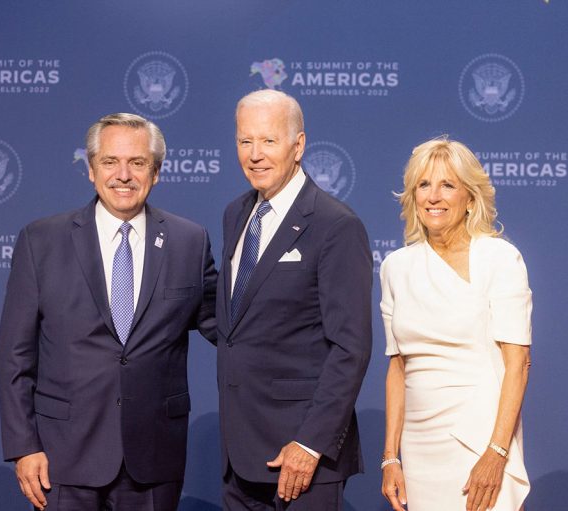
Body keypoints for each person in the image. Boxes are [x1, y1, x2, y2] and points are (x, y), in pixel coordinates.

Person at [0, 113, 217, 511]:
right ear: (91, 169)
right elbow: (15, 354)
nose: (123, 175)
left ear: (156, 172)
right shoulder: (41, 241)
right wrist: (24, 445)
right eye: (110, 161)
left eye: (137, 163)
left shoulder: (189, 241)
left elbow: (231, 330)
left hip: (154, 457)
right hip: (62, 456)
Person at [216, 89, 372, 510]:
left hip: (302, 457)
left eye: (268, 140)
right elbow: (237, 323)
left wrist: (310, 442)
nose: (255, 155)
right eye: (245, 141)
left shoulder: (335, 225)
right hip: (239, 456)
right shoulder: (236, 214)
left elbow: (351, 348)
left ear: (298, 145)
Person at [379, 137, 531, 511]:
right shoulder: (395, 267)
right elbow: (397, 368)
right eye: (424, 185)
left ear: (470, 198)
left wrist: (497, 452)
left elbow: (518, 363)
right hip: (419, 448)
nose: (434, 196)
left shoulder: (500, 258)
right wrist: (390, 456)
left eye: (447, 185)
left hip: (480, 439)